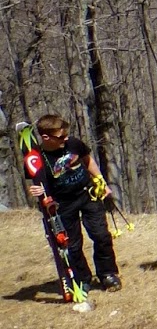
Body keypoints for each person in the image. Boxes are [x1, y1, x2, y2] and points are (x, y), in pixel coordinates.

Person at [22, 114, 122, 292]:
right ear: (46, 137)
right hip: (62, 204)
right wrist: (36, 192)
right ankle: (82, 278)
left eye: (65, 134)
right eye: (60, 137)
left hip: (87, 194)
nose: (65, 139)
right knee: (72, 244)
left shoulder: (73, 144)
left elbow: (88, 160)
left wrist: (101, 180)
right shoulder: (36, 157)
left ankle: (107, 274)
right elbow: (36, 183)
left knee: (101, 235)